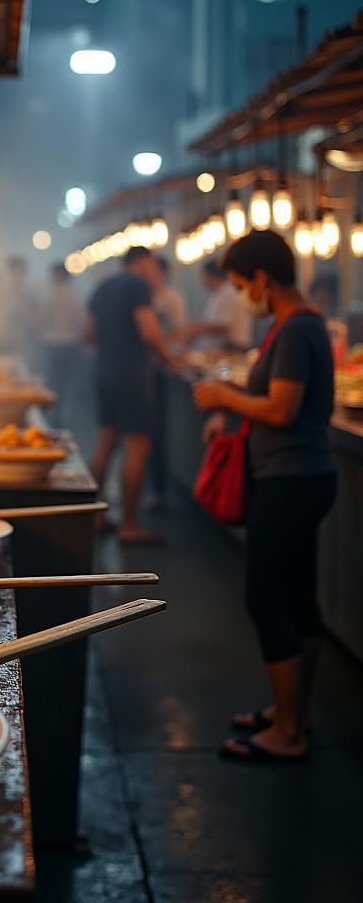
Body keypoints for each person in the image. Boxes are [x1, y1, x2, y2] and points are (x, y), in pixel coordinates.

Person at [193, 231, 336, 763]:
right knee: (298, 597)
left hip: (290, 481)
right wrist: (232, 415)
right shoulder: (296, 326)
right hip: (300, 476)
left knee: (265, 597)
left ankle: (289, 734)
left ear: (261, 280)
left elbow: (282, 409)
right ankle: (293, 713)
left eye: (240, 285)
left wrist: (226, 396)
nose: (240, 296)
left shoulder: (296, 330)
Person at [87, 246, 177, 543]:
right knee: (137, 446)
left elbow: (88, 333)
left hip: (104, 372)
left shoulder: (102, 287)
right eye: (151, 265)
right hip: (133, 375)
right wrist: (171, 359)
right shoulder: (139, 286)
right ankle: (129, 524)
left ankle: (95, 516)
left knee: (106, 442)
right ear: (142, 263)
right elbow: (149, 331)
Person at [146, 256, 188, 509]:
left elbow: (180, 331)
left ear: (163, 273)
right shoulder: (144, 296)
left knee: (157, 432)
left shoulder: (172, 298)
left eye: (152, 271)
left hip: (162, 369)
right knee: (148, 433)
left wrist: (173, 357)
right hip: (147, 371)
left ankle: (159, 488)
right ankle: (155, 486)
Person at [39, 263, 86, 427]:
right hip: (70, 344)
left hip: (53, 344)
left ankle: (54, 414)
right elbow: (81, 321)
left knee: (54, 381)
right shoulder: (75, 296)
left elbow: (42, 319)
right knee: (67, 382)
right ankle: (64, 414)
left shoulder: (49, 296)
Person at [182, 259, 252, 351]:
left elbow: (223, 326)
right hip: (224, 348)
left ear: (209, 275)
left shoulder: (228, 293)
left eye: (203, 276)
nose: (202, 280)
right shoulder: (220, 293)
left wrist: (196, 328)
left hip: (232, 348)